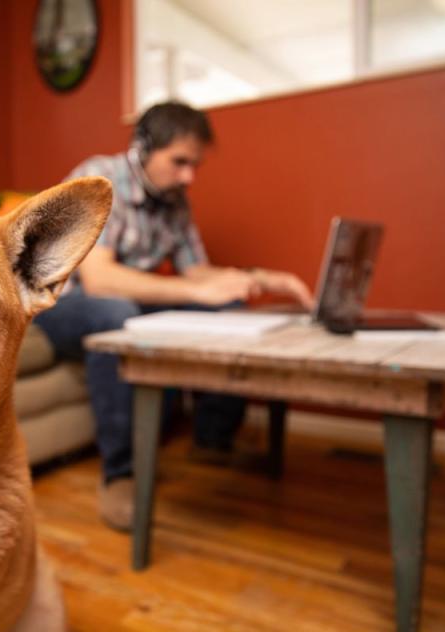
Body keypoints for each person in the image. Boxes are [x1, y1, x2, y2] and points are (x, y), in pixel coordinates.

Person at [33, 102, 313, 531]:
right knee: (117, 314)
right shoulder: (101, 178)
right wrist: (196, 289)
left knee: (228, 308)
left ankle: (212, 436)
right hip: (69, 306)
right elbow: (101, 280)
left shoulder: (175, 201)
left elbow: (196, 271)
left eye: (194, 165)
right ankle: (121, 474)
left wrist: (257, 279)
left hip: (124, 302)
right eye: (179, 162)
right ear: (143, 147)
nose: (189, 176)